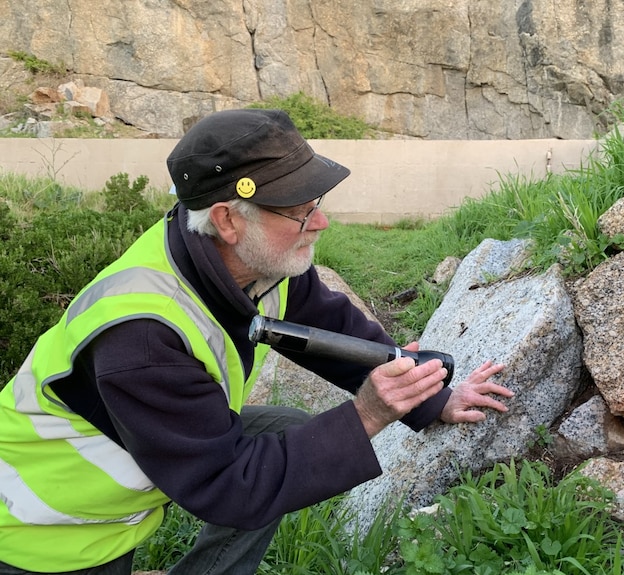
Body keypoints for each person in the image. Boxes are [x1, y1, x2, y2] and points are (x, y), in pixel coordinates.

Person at [0, 108, 513, 574]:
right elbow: (231, 487)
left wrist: (432, 398)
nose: (321, 222)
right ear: (227, 219)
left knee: (281, 429)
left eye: (318, 201)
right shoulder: (143, 338)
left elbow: (336, 334)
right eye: (299, 210)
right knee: (253, 477)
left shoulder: (250, 262)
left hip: (127, 477)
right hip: (46, 534)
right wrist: (368, 415)